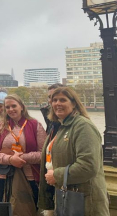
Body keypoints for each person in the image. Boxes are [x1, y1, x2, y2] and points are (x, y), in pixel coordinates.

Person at [38, 87, 109, 216]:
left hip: (85, 202)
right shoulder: (60, 127)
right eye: (54, 100)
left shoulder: (83, 126)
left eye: (63, 100)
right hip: (66, 199)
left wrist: (56, 175)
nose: (57, 103)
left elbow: (88, 166)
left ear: (74, 103)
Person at [0, 94, 46, 214]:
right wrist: (10, 159)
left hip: (29, 176)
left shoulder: (35, 125)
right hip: (3, 176)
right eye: (7, 107)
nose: (10, 109)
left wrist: (22, 158)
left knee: (28, 211)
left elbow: (43, 154)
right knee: (3, 212)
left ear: (22, 107)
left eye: (14, 106)